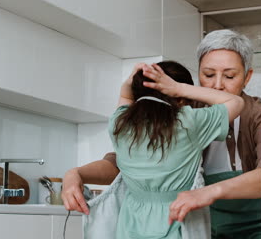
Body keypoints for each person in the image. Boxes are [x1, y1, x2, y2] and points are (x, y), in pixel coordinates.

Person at [62, 29, 261, 239]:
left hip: (257, 227)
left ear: (247, 77)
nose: (217, 85)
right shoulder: (183, 111)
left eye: (229, 76)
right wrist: (76, 174)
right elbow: (122, 163)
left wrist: (209, 192)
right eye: (207, 74)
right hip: (199, 225)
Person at [99, 60, 243, 238]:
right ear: (180, 98)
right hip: (177, 220)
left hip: (130, 226)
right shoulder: (188, 122)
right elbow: (236, 102)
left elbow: (126, 97)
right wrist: (180, 88)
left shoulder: (118, 123)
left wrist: (131, 79)